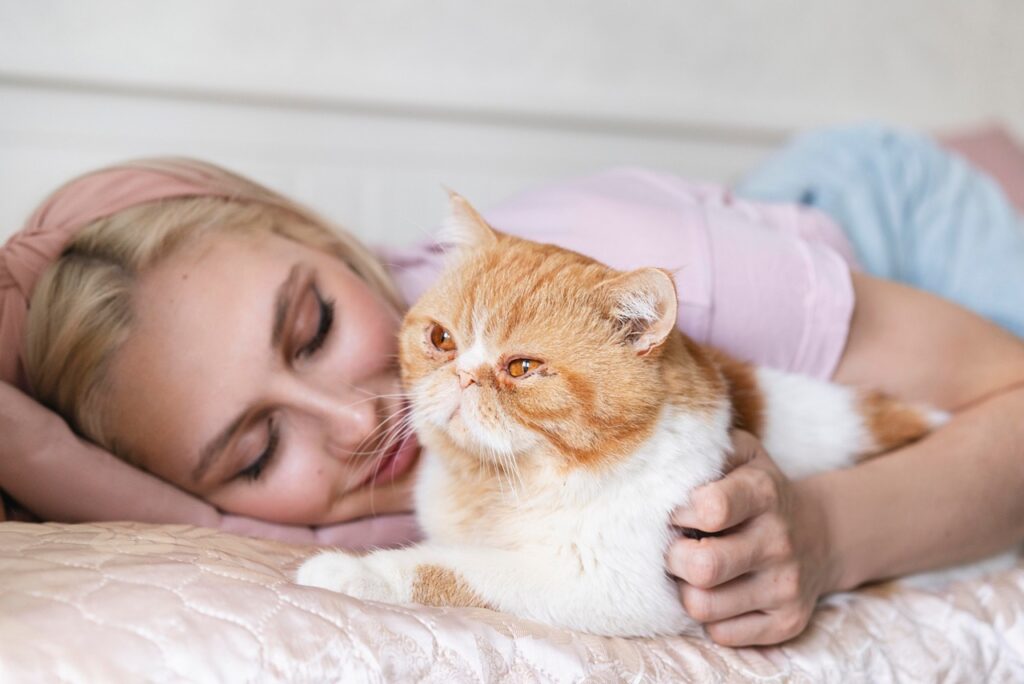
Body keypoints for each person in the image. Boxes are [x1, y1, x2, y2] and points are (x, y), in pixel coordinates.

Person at [2, 131, 1023, 648]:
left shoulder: (654, 268)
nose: (358, 420)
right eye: (257, 452)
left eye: (313, 328)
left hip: (890, 229)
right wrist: (43, 455)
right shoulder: (287, 510)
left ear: (329, 242)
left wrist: (830, 534)